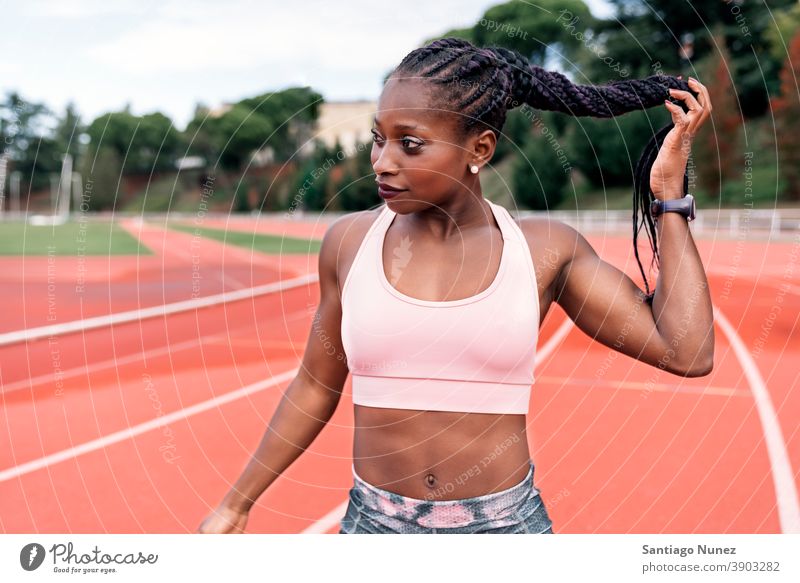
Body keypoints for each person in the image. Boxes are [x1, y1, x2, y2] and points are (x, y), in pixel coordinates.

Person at [197, 38, 715, 535]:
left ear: (480, 148)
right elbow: (315, 385)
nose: (382, 161)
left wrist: (669, 197)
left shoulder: (544, 251)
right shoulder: (348, 243)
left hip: (505, 530)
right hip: (372, 529)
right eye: (379, 138)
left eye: (410, 144)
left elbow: (685, 350)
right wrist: (235, 505)